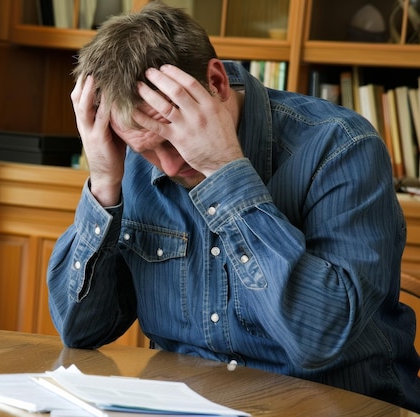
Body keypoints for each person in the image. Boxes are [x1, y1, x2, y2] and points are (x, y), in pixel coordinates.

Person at [46, 1, 420, 412]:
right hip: (184, 403)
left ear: (217, 82)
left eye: (174, 138)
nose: (169, 165)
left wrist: (225, 174)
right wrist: (103, 183)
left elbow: (319, 338)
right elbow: (80, 331)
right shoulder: (128, 162)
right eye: (147, 148)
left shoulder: (341, 148)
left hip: (335, 403)